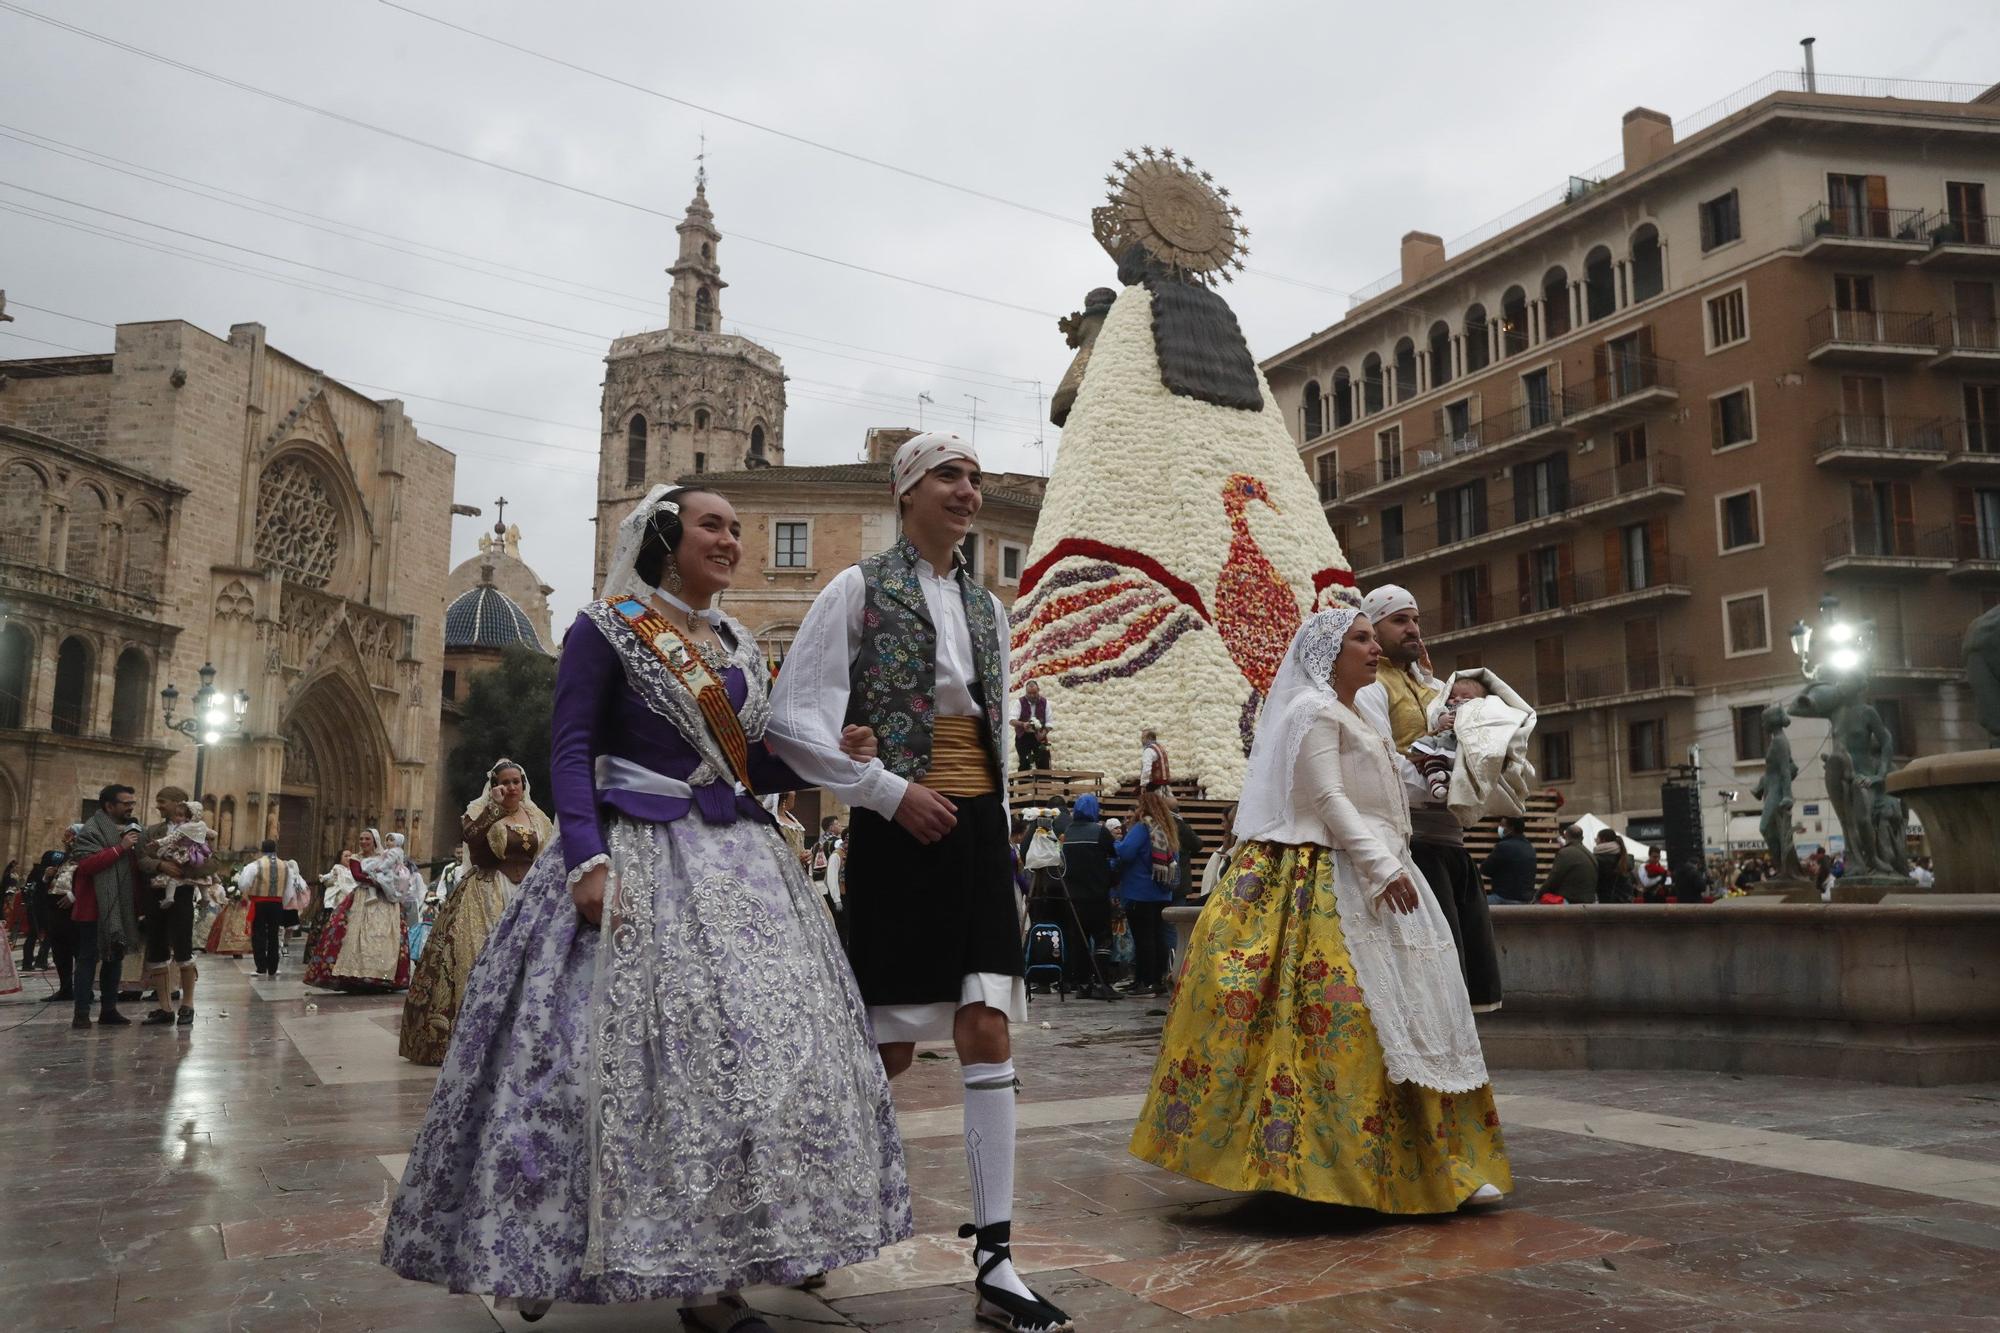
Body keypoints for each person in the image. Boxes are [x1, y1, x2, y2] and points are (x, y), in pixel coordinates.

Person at [383, 484, 907, 1330]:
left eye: (739, 529)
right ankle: (542, 1240)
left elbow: (748, 767)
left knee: (741, 1064)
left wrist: (826, 756)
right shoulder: (607, 625)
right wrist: (586, 857)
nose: (732, 540)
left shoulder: (736, 644)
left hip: (738, 866)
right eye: (714, 525)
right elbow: (572, 746)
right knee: (584, 1063)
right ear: (667, 537)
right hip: (632, 850)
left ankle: (720, 1271)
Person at [766, 433, 1072, 1333]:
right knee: (888, 1046)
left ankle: (997, 1258)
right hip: (899, 826)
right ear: (907, 493)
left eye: (976, 477)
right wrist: (888, 790)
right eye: (951, 475)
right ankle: (807, 1212)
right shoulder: (856, 588)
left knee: (987, 1021)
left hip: (977, 825)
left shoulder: (988, 607)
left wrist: (996, 823)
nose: (969, 490)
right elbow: (793, 718)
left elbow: (989, 727)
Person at [1130, 609, 1510, 1211]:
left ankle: (1431, 1158)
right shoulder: (1312, 709)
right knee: (1339, 1021)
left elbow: (1382, 795)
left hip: (1377, 868)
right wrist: (1380, 867)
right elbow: (1329, 797)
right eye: (1360, 639)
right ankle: (1316, 1167)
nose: (1372, 649)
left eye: (1370, 637)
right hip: (1329, 873)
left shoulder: (1362, 714)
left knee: (1411, 1018)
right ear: (1326, 654)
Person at [1353, 585, 1502, 1012]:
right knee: (1434, 981)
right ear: (1374, 628)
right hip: (1411, 845)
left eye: (1416, 620)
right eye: (1400, 621)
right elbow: (1381, 764)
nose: (1413, 630)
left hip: (1452, 841)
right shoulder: (1369, 687)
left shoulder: (1437, 686)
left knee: (1467, 976)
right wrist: (1450, 782)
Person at [398, 759, 554, 1065]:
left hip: (528, 894)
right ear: (494, 785)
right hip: (487, 891)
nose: (511, 788)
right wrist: (493, 809)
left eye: (516, 782)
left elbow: (546, 855)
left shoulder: (537, 816)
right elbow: (472, 839)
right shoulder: (478, 811)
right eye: (504, 782)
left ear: (524, 785)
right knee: (477, 958)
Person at [69, 784, 145, 1028]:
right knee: (88, 960)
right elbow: (87, 865)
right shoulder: (91, 830)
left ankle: (109, 1009)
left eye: (132, 803)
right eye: (126, 803)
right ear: (109, 806)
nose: (131, 807)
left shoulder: (129, 830)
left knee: (115, 959)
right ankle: (81, 1012)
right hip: (93, 907)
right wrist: (119, 848)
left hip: (119, 907)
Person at [302, 829, 413, 993]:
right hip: (363, 897)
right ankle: (356, 976)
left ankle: (381, 976)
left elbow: (397, 871)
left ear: (374, 840)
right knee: (355, 935)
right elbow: (357, 875)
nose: (363, 842)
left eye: (367, 839)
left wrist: (392, 884)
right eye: (361, 839)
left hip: (384, 900)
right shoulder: (356, 858)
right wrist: (378, 882)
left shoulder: (385, 855)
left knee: (383, 936)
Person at [137, 787, 211, 1026]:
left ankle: (187, 1004)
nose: (158, 806)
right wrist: (161, 866)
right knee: (156, 948)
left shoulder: (197, 829)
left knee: (183, 947)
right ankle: (164, 1007)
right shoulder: (152, 831)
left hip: (181, 893)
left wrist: (187, 867)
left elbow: (212, 861)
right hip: (155, 894)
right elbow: (142, 859)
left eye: (162, 801)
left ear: (179, 803)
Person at [1112, 788, 1177, 997]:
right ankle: (1155, 980)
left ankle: (1145, 981)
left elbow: (1126, 852)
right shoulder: (1167, 829)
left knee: (1143, 939)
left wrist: (1115, 843)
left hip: (1139, 892)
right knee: (1158, 937)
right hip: (1162, 893)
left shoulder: (1143, 828)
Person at [1060, 793, 1117, 995]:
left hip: (1074, 898)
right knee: (1102, 939)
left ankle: (1082, 983)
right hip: (1097, 895)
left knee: (1079, 940)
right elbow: (1115, 855)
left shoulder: (1067, 834)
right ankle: (1102, 982)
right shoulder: (1099, 832)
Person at [26, 828, 80, 1000]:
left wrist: (73, 896)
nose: (67, 841)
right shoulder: (64, 860)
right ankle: (65, 988)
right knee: (59, 950)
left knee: (78, 951)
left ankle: (83, 989)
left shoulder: (86, 858)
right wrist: (47, 876)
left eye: (70, 837)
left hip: (74, 909)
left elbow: (89, 882)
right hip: (56, 908)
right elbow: (53, 883)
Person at [234, 840, 291, 978]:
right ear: (275, 849)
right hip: (277, 904)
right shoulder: (285, 866)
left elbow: (243, 884)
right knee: (274, 935)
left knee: (259, 934)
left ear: (262, 850)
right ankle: (273, 968)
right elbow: (289, 889)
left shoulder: (255, 865)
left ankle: (261, 967)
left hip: (259, 903)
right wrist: (283, 901)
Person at [1480, 817, 1537, 905]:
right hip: (1525, 900)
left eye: (1502, 825)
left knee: (1475, 905)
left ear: (1511, 828)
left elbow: (1485, 869)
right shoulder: (1530, 847)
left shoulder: (1503, 846)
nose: (1500, 828)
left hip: (1503, 898)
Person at [1539, 824, 1598, 904]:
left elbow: (1553, 878)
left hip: (1571, 901)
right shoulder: (1591, 854)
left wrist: (1537, 895)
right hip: (1590, 901)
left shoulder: (1565, 853)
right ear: (1582, 838)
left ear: (1565, 836)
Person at [1014, 680, 1053, 772]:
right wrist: (1022, 724)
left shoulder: (1045, 702)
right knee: (1025, 762)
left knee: (1043, 762)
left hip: (1039, 736)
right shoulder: (1019, 702)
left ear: (1038, 690)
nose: (1032, 696)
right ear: (1026, 692)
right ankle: (1024, 785)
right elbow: (1011, 720)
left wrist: (1043, 734)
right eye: (1029, 693)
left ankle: (1044, 785)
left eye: (1034, 693)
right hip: (1023, 737)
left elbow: (1049, 723)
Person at [1592, 830, 1637, 904]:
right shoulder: (1624, 856)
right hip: (1625, 899)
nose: (1595, 841)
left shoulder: (1599, 859)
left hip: (1608, 900)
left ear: (1603, 840)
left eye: (1597, 838)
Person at [1140, 728, 1171, 792]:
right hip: (1165, 784)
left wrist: (1143, 784)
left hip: (1154, 784)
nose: (1141, 740)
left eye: (1143, 738)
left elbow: (1146, 769)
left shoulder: (1149, 750)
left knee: (1137, 795)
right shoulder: (1160, 748)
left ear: (1150, 738)